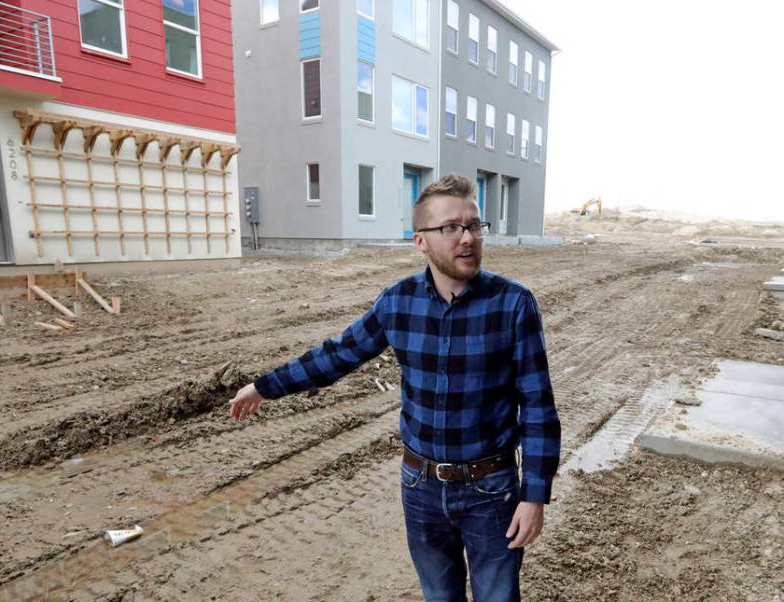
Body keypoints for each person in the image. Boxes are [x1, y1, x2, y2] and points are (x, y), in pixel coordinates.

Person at [229, 175, 560, 602]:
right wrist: (263, 387)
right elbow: (336, 356)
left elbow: (538, 407)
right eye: (451, 228)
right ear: (420, 240)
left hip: (490, 490)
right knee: (439, 596)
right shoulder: (398, 302)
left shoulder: (512, 303)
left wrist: (534, 497)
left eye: (474, 225)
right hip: (420, 487)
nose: (468, 238)